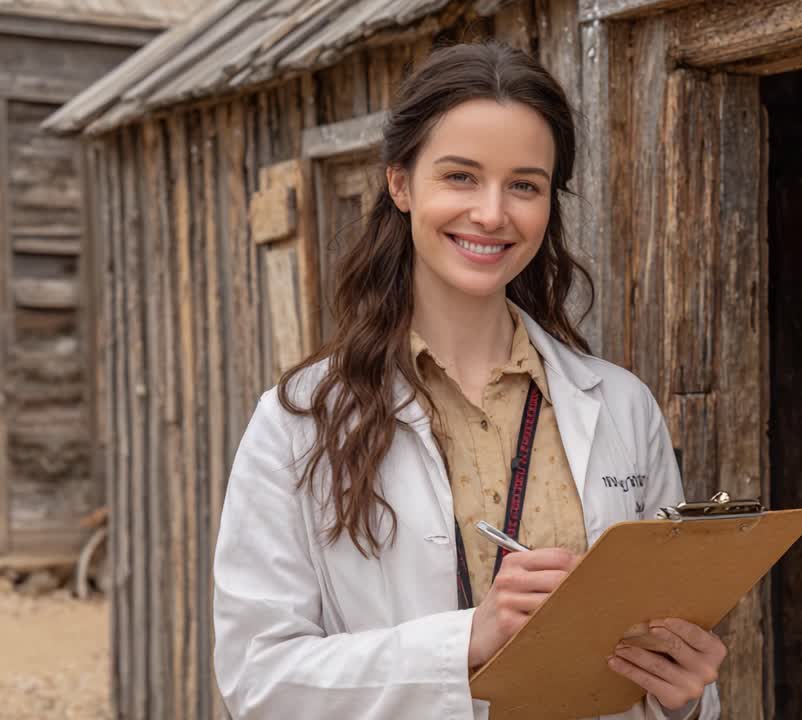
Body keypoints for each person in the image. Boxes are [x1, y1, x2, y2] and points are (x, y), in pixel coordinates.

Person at [212, 41, 724, 719]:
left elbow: (663, 657)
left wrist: (686, 697)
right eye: (460, 176)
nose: (491, 213)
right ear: (400, 183)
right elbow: (258, 677)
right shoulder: (298, 421)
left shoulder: (623, 406)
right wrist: (465, 642)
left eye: (524, 185)